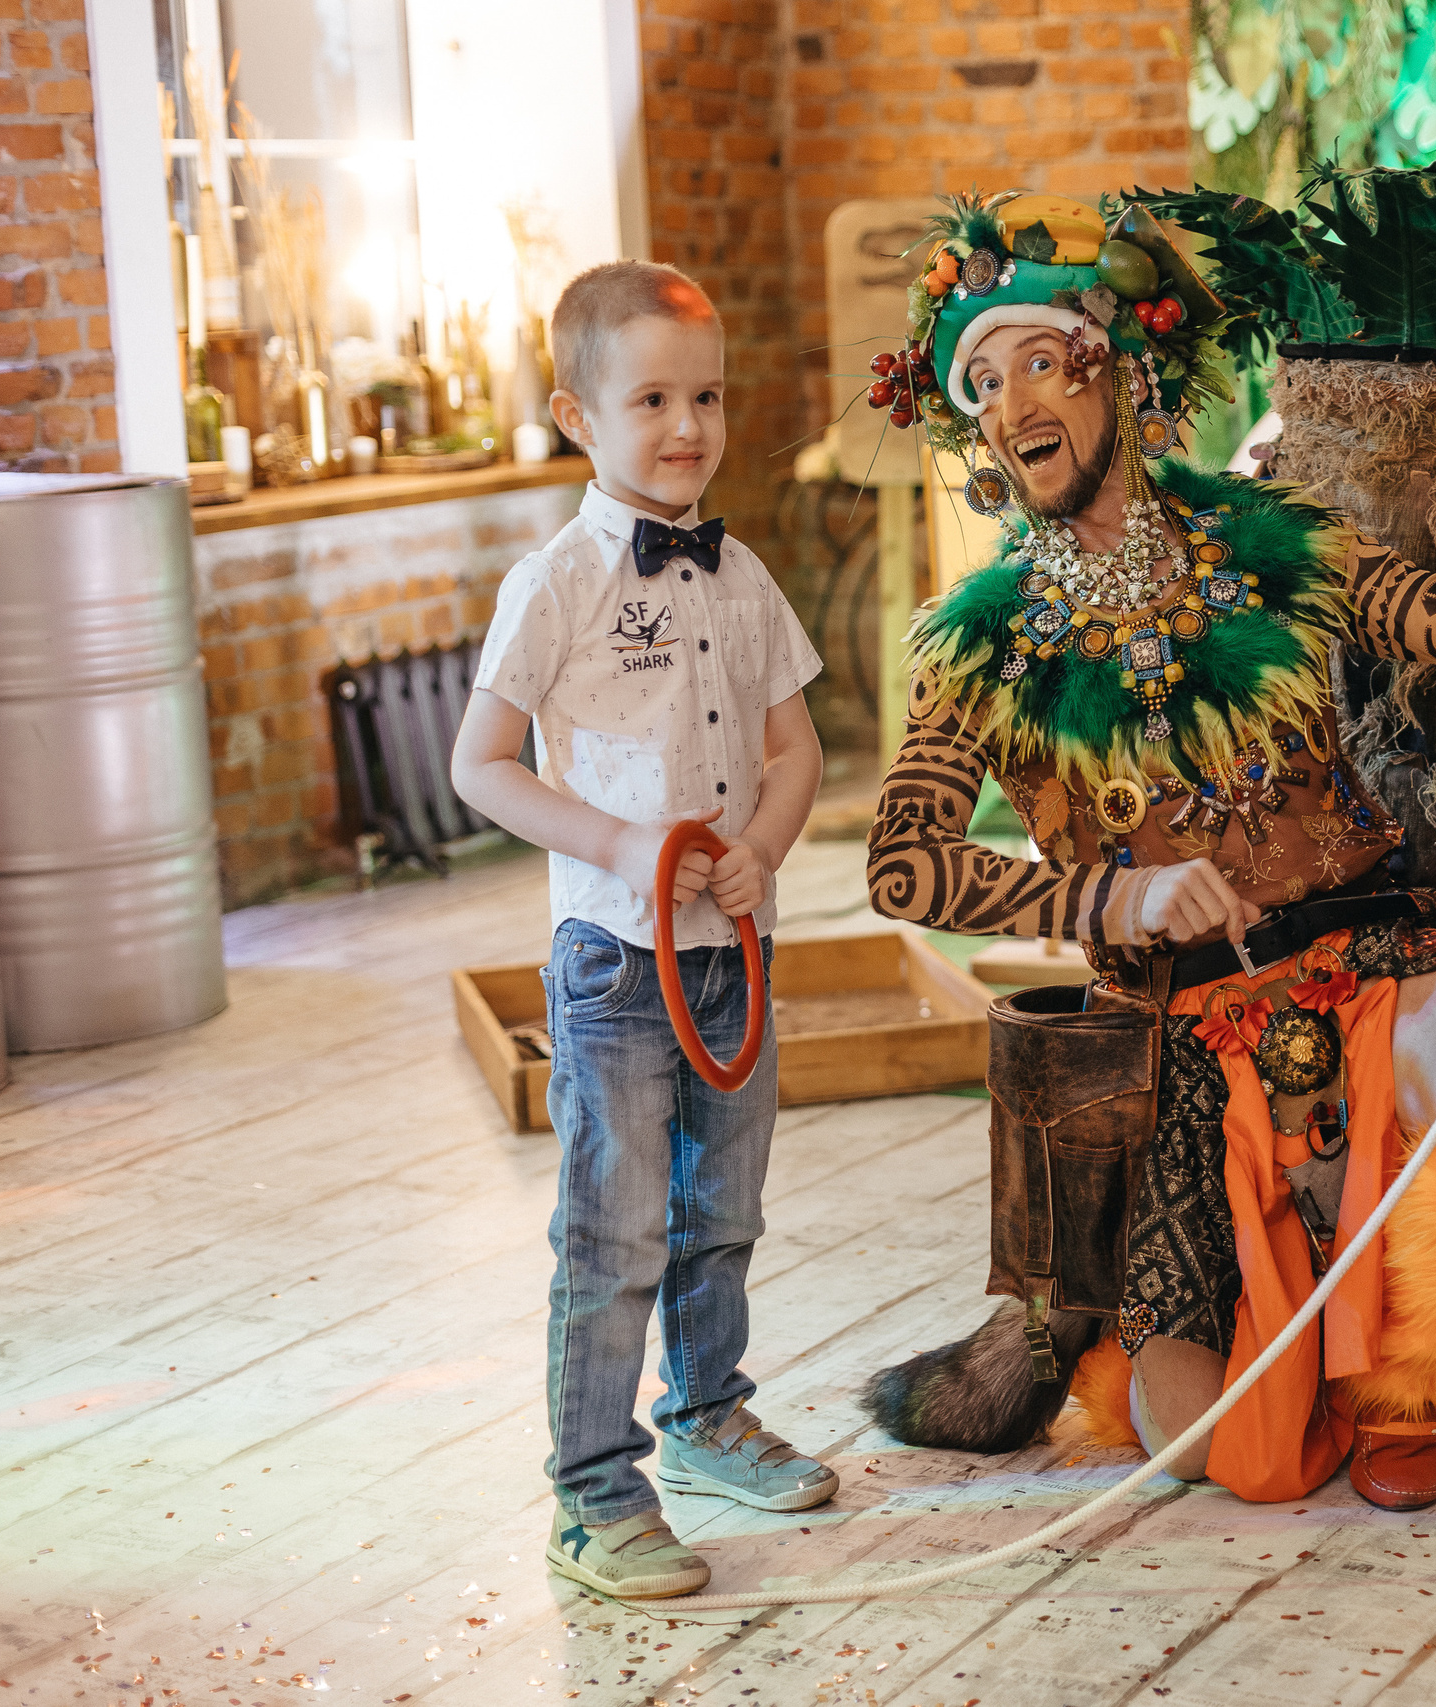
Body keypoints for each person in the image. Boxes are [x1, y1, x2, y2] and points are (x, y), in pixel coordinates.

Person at [858, 191, 1436, 1511]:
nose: (1012, 397)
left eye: (1041, 356)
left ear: (1127, 374)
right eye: (980, 379)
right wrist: (1104, 889)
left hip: (1371, 941)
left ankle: (1406, 1372)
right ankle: (1287, 1303)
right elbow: (901, 867)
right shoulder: (977, 645)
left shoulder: (1274, 544)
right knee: (1214, 1450)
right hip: (1177, 1025)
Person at [450, 260, 832, 1600]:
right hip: (617, 961)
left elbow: (798, 747)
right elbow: (480, 763)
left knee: (721, 1205)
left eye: (708, 395)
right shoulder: (554, 583)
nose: (688, 424)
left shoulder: (742, 577)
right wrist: (618, 842)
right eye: (654, 397)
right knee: (612, 1232)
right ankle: (594, 1489)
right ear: (577, 413)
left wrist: (764, 851)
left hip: (741, 954)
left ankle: (708, 1414)